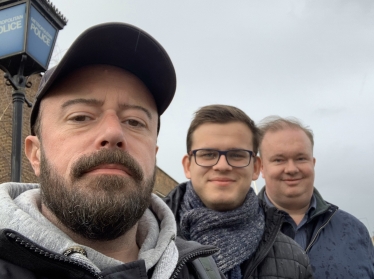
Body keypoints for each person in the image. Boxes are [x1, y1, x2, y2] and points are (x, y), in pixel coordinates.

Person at [0, 23, 224, 279]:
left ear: (153, 154)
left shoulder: (202, 269)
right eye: (81, 117)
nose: (113, 133)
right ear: (36, 153)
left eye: (134, 121)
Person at [164, 104, 314, 279]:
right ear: (188, 166)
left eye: (237, 155)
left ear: (256, 167)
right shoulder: (143, 240)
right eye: (207, 154)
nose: (222, 166)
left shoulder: (295, 260)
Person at [257, 116, 374, 279]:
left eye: (300, 158)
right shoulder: (239, 230)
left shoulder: (354, 230)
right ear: (261, 167)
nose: (291, 168)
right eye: (279, 160)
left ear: (313, 163)